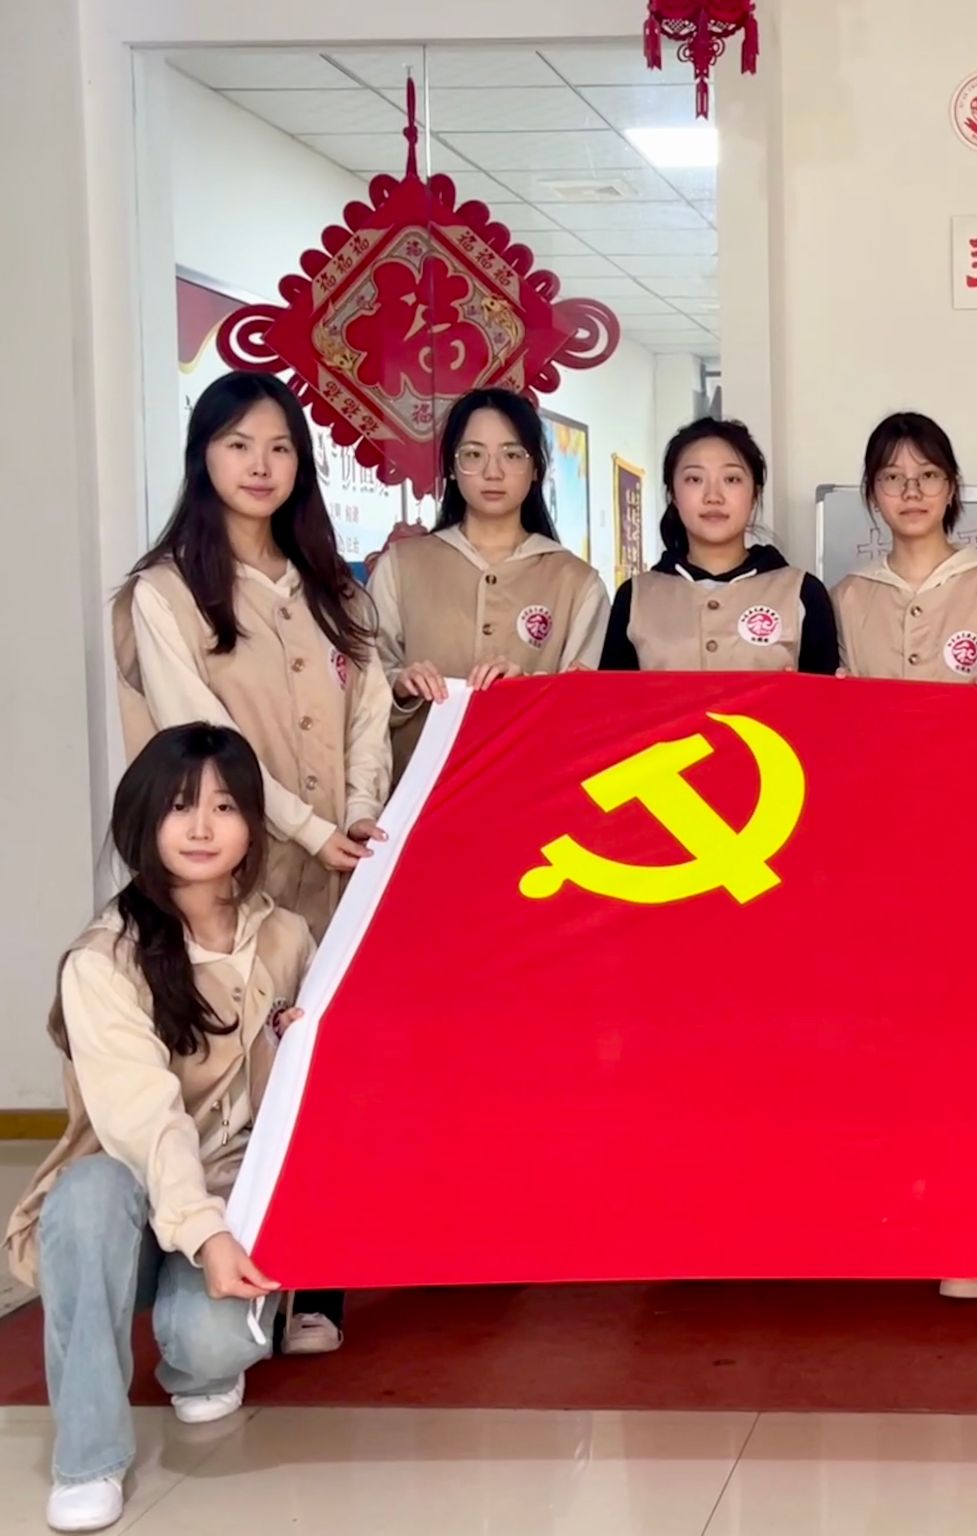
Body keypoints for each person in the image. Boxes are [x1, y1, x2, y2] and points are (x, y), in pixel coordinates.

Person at [111, 369, 388, 1359]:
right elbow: (203, 734)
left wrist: (361, 817)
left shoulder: (334, 588)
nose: (260, 466)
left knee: (324, 1072)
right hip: (222, 876)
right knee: (225, 1069)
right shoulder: (164, 594)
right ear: (203, 458)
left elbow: (368, 713)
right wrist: (308, 829)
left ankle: (318, 1283)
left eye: (279, 448)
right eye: (237, 445)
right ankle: (210, 1270)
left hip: (338, 874)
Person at [7, 725, 312, 1533]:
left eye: (224, 806)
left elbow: (303, 1093)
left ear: (253, 822)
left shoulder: (287, 937)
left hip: (232, 1187)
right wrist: (206, 1237)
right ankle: (89, 1459)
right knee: (86, 1196)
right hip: (131, 1202)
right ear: (143, 818)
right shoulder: (103, 959)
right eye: (179, 806)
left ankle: (193, 1363)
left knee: (214, 1348)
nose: (202, 827)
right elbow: (147, 1121)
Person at [368, 388, 608, 777]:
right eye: (473, 455)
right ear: (451, 467)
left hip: (533, 788)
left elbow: (589, 708)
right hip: (417, 788)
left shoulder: (576, 582)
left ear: (536, 469)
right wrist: (399, 683)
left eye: (512, 455)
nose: (492, 472)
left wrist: (528, 688)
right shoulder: (402, 566)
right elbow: (362, 685)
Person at [600, 417, 838, 674]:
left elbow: (827, 697)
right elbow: (611, 697)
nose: (713, 496)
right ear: (673, 495)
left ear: (755, 494)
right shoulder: (635, 597)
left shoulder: (802, 593)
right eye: (694, 479)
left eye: (732, 479)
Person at [834, 412, 977, 684]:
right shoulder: (846, 599)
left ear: (951, 488)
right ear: (872, 493)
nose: (912, 492)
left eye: (928, 475)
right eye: (893, 477)